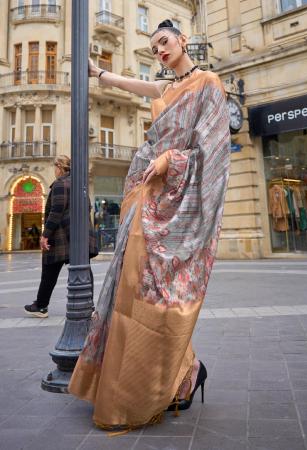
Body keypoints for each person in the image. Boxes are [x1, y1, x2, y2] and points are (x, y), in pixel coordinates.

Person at [68, 19, 230, 432]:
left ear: (183, 40)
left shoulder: (208, 83)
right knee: (131, 288)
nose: (158, 49)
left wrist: (172, 161)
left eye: (164, 41)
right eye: (153, 45)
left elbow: (212, 152)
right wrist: (98, 73)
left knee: (160, 294)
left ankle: (176, 375)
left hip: (176, 200)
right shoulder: (165, 90)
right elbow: (133, 86)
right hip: (148, 196)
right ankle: (181, 372)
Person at [24, 155, 98, 318]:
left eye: (55, 167)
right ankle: (89, 305)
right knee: (83, 268)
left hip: (61, 235)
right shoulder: (80, 184)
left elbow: (56, 211)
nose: (54, 170)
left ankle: (41, 306)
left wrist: (45, 235)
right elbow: (88, 208)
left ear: (60, 167)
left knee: (50, 269)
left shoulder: (60, 184)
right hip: (79, 234)